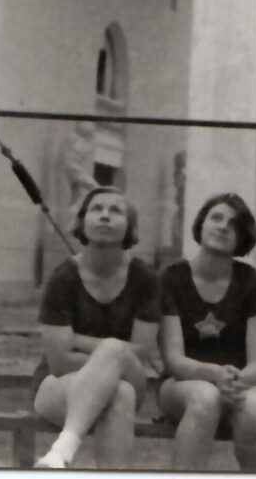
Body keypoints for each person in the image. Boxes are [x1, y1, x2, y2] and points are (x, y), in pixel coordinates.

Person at [31, 186, 161, 469]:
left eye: (115, 211)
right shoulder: (63, 277)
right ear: (82, 221)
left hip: (131, 375)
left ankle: (63, 449)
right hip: (58, 385)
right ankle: (67, 450)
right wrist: (111, 362)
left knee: (114, 352)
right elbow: (59, 361)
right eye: (96, 209)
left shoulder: (145, 278)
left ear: (129, 226)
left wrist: (79, 341)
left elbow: (141, 349)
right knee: (120, 392)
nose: (105, 216)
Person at [158, 192, 256, 471]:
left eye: (233, 224)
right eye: (216, 218)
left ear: (242, 237)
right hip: (181, 385)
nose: (223, 226)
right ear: (201, 224)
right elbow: (174, 361)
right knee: (205, 397)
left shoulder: (254, 283)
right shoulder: (171, 278)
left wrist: (233, 381)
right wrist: (214, 376)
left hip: (239, 382)